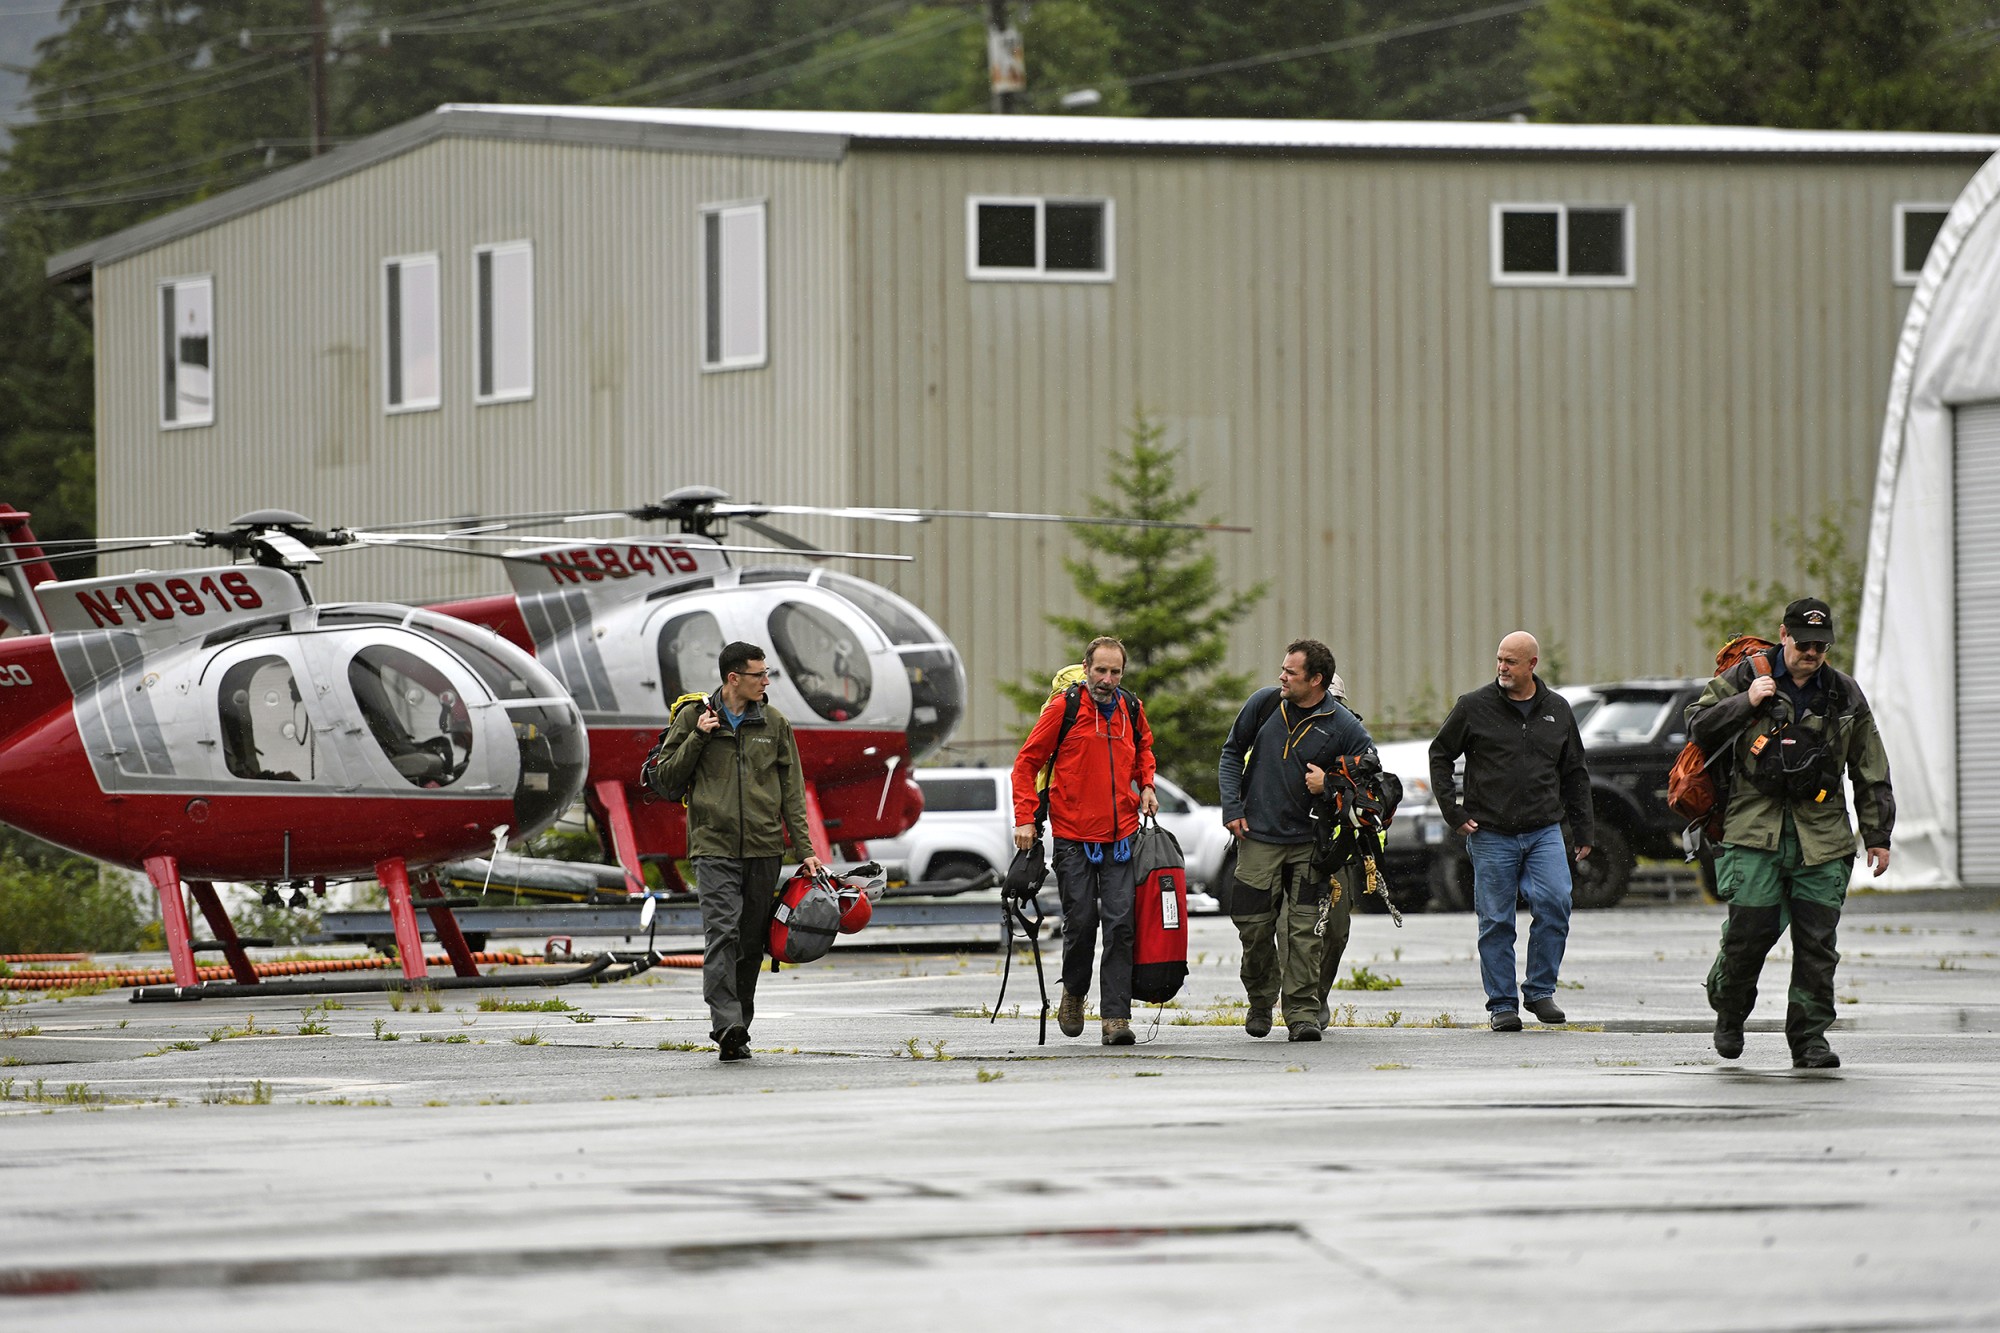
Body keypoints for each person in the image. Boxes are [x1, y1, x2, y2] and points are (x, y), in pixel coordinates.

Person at [1686, 598, 1894, 1069]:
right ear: (1784, 635)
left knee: (1817, 943)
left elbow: (1870, 764)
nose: (1812, 652)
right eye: (1804, 643)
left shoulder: (1843, 694)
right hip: (1753, 829)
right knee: (1749, 934)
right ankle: (1730, 1010)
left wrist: (1878, 833)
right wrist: (1747, 701)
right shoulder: (1746, 676)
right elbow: (1697, 726)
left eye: (1821, 645)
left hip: (1822, 837)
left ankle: (1810, 1040)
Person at [644, 640, 820, 1063]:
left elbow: (793, 792)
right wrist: (698, 739)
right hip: (713, 846)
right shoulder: (693, 716)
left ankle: (739, 1024)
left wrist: (805, 849)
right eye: (759, 674)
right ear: (733, 678)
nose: (766, 681)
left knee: (750, 940)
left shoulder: (775, 724)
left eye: (766, 673)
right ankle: (726, 1023)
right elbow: (666, 780)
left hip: (763, 847)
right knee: (722, 933)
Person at [1429, 631, 1592, 1032]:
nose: (1502, 667)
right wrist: (1453, 811)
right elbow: (1440, 754)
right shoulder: (1473, 706)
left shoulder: (1557, 709)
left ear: (1532, 665)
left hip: (1544, 830)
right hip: (1490, 833)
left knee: (1556, 903)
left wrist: (1584, 829)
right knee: (1497, 920)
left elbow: (1574, 772)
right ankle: (1502, 1004)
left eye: (1510, 662)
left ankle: (1539, 991)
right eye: (1499, 659)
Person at [1218, 640, 1375, 1042]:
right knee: (1253, 927)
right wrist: (1233, 808)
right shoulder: (1265, 704)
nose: (1281, 677)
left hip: (1310, 843)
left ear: (1316, 680)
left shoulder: (1343, 725)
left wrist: (1331, 783)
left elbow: (1373, 778)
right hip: (1257, 837)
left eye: (1290, 672)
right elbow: (1232, 753)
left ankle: (1302, 1014)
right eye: (1283, 669)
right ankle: (1259, 999)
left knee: (1305, 931)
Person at [1011, 637, 1158, 1046]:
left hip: (1121, 837)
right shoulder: (1066, 708)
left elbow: (1144, 748)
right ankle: (1074, 991)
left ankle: (1115, 1015)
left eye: (1115, 672)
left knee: (1120, 925)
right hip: (1074, 836)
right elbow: (1026, 763)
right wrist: (1025, 818)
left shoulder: (1131, 708)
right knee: (1081, 923)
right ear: (1086, 667)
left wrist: (1146, 784)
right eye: (1100, 671)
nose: (1107, 680)